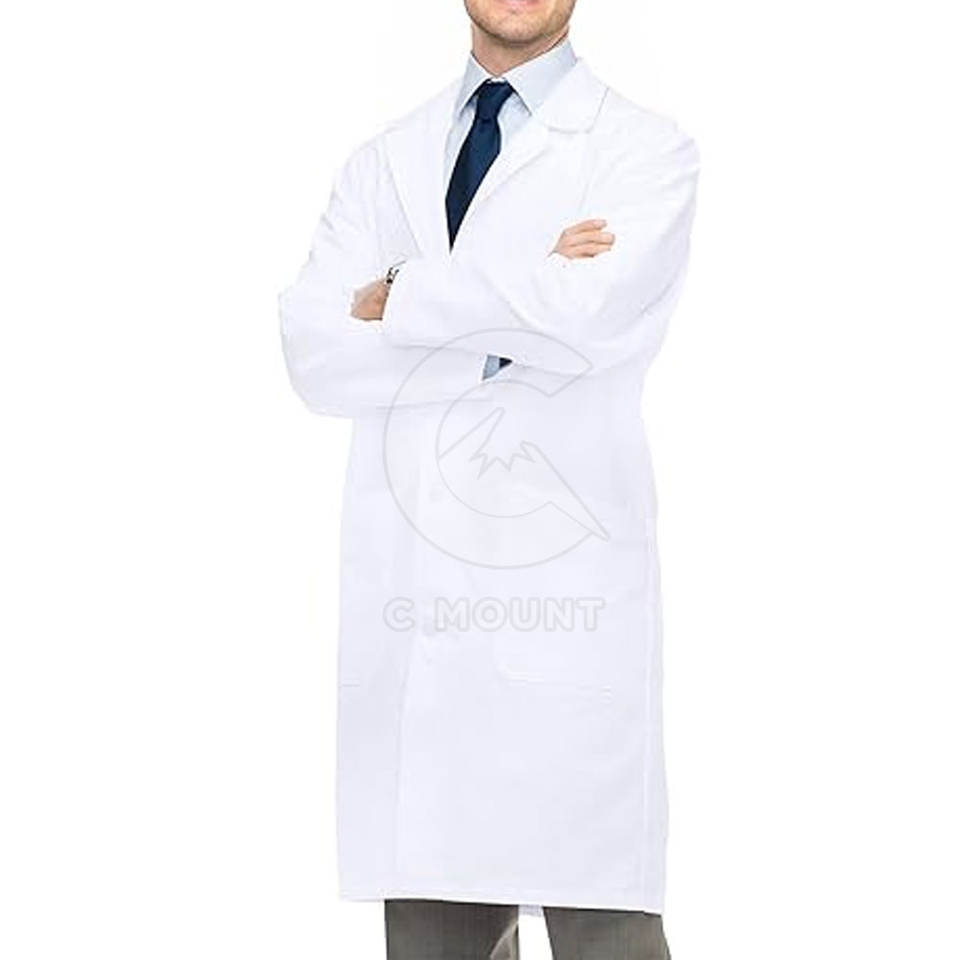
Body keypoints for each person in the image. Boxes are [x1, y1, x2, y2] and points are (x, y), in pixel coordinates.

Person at [280, 0, 699, 956]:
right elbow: (315, 353)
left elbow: (583, 318)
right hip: (417, 630)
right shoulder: (381, 160)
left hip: (564, 614)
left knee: (606, 931)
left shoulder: (643, 152)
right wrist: (509, 321)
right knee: (436, 931)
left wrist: (399, 296)